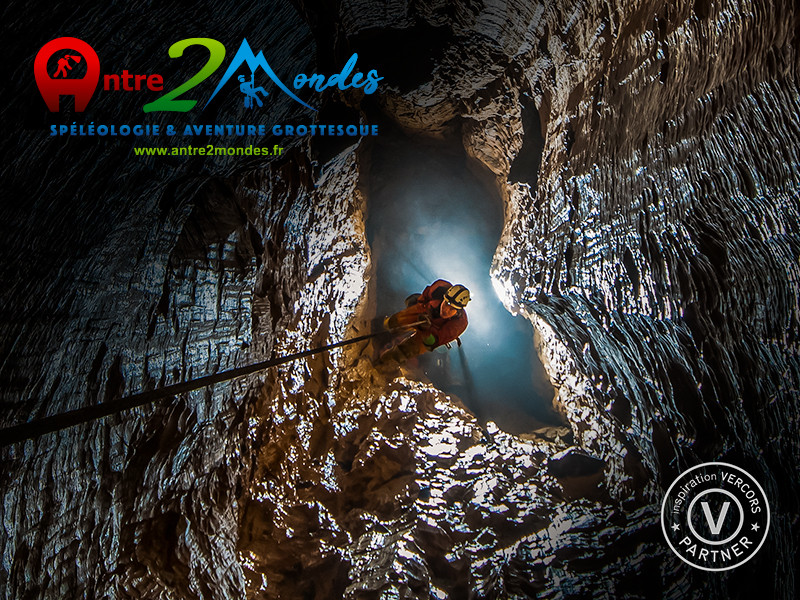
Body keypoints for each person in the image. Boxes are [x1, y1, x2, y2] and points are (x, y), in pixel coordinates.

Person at [375, 280, 470, 371]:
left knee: (408, 349)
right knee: (395, 321)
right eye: (446, 303)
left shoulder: (458, 325)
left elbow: (431, 343)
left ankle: (381, 365)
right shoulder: (440, 287)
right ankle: (378, 329)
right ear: (444, 297)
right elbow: (425, 296)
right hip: (424, 312)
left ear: (458, 311)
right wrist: (418, 306)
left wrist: (426, 329)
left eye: (452, 309)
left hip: (433, 333)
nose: (446, 310)